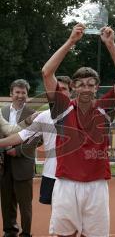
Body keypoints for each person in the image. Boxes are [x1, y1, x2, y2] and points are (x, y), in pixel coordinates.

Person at [41, 23, 115, 237]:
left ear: (96, 88)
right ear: (73, 87)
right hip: (65, 183)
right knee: (64, 235)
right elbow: (47, 72)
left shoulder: (105, 109)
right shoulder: (62, 108)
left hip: (96, 185)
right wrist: (71, 41)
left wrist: (111, 45)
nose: (86, 88)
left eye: (91, 84)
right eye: (81, 84)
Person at [0, 76, 71, 206]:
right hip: (50, 173)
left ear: (70, 92)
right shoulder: (43, 115)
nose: (60, 92)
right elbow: (20, 134)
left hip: (72, 176)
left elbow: (36, 140)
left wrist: (18, 150)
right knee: (56, 213)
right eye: (56, 89)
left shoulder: (81, 114)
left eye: (64, 89)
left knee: (74, 212)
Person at [0, 79, 40, 237]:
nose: (20, 95)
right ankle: (9, 231)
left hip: (23, 162)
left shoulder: (32, 113)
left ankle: (26, 233)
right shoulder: (1, 112)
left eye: (23, 92)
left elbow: (38, 138)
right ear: (11, 94)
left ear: (27, 95)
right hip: (3, 163)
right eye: (17, 92)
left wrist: (18, 150)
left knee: (25, 203)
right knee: (6, 200)